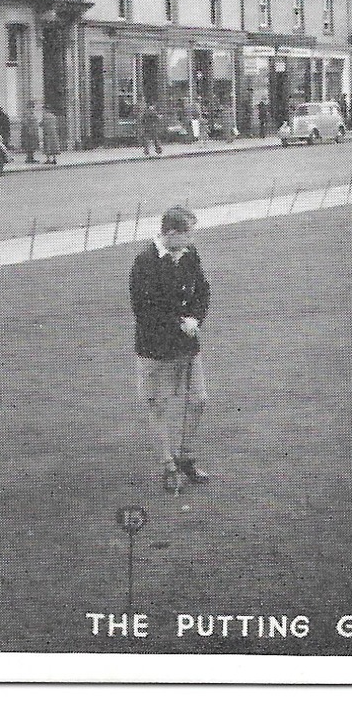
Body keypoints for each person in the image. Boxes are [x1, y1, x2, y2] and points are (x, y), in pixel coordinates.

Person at [130, 206, 213, 493]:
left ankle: (186, 457)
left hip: (187, 345)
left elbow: (202, 291)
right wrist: (180, 322)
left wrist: (194, 318)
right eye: (188, 234)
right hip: (155, 348)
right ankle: (168, 465)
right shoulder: (144, 262)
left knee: (199, 400)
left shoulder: (190, 255)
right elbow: (144, 310)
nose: (192, 240)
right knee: (158, 405)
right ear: (172, 233)